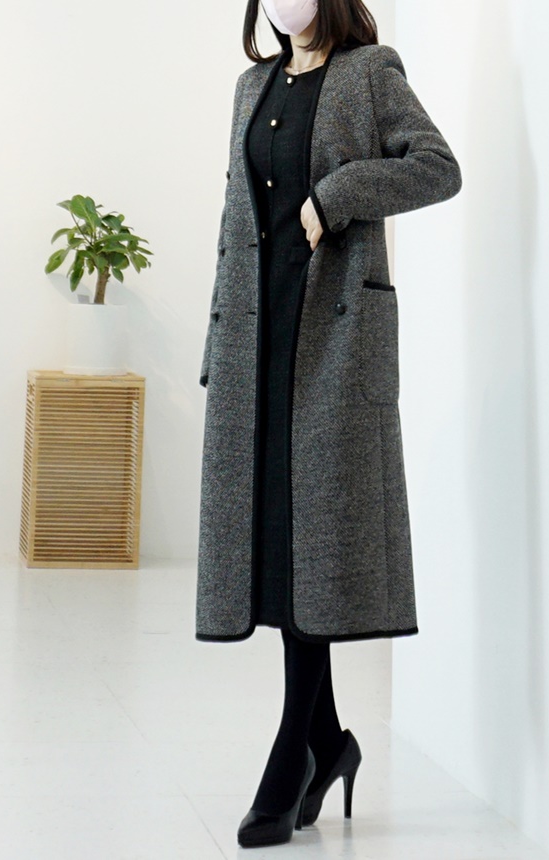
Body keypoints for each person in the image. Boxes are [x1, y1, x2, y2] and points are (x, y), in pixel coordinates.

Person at [196, 0, 461, 848]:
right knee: (279, 546)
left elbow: (439, 167)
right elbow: (234, 222)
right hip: (256, 340)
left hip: (334, 344)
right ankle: (328, 743)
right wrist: (215, 340)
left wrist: (338, 194)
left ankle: (291, 759)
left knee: (314, 547)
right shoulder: (251, 86)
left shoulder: (368, 73)